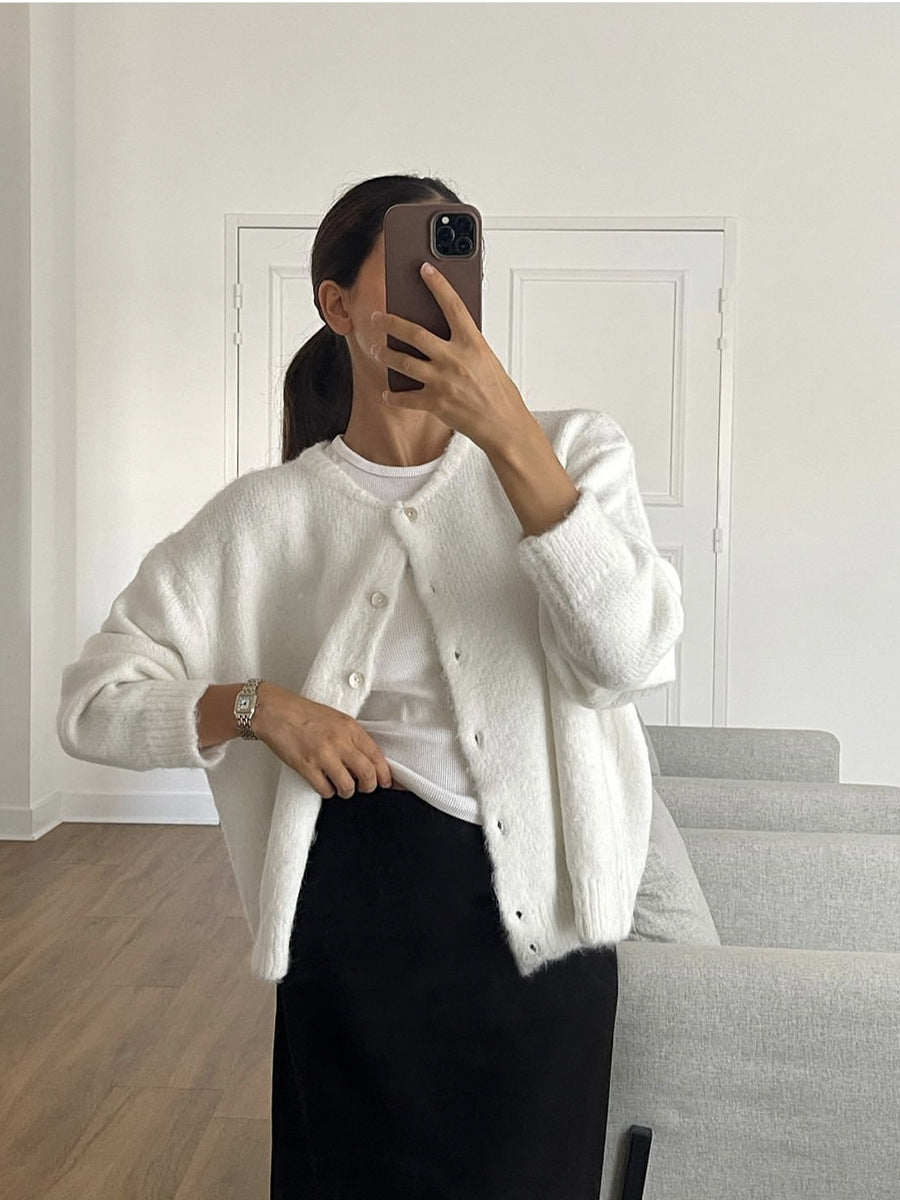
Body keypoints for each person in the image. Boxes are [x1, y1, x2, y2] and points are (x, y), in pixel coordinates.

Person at [57, 173, 684, 1200]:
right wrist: (257, 707)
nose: (439, 296)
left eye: (456, 271)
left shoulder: (574, 453)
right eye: (408, 271)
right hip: (353, 930)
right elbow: (94, 702)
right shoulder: (264, 516)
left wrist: (510, 436)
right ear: (337, 305)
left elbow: (628, 658)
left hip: (546, 933)